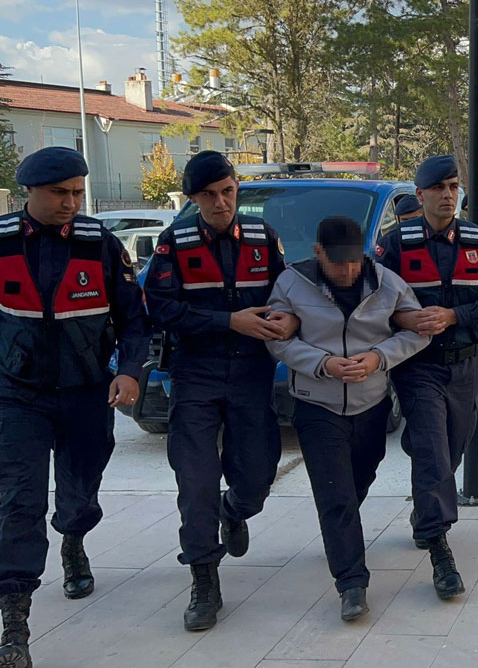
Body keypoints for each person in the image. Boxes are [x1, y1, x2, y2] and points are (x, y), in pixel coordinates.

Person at [0, 147, 150, 668]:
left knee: (79, 487)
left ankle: (74, 537)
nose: (70, 203)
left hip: (88, 391)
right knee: (17, 500)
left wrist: (130, 371)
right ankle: (14, 623)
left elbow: (135, 320)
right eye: (59, 194)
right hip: (16, 394)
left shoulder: (100, 245)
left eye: (77, 194)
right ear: (30, 193)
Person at [144, 150, 294, 632]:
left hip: (252, 373)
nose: (220, 202)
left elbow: (285, 293)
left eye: (227, 191)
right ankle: (203, 578)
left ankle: (236, 510)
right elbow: (161, 309)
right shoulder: (175, 242)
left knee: (257, 476)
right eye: (209, 195)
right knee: (196, 480)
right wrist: (227, 321)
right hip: (196, 373)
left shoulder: (263, 237)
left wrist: (287, 317)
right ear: (193, 198)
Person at [266, 217, 429, 622]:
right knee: (335, 496)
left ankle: (340, 533)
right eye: (338, 263)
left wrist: (378, 357)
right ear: (319, 253)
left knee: (358, 482)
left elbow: (419, 331)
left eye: (354, 262)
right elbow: (276, 339)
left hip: (371, 403)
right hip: (315, 404)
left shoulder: (387, 282)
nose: (347, 271)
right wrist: (322, 364)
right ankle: (351, 583)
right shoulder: (291, 282)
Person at [375, 155, 478, 600]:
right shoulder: (395, 243)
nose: (449, 195)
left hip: (469, 363)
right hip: (418, 366)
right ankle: (439, 548)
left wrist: (454, 314)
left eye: (454, 187)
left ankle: (425, 503)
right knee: (434, 452)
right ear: (421, 195)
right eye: (439, 188)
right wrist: (409, 320)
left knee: (450, 447)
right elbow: (376, 308)